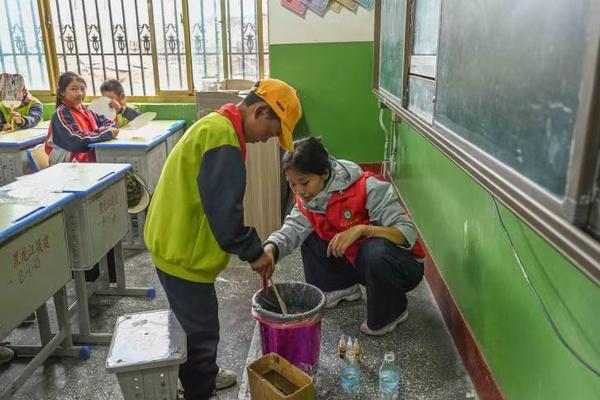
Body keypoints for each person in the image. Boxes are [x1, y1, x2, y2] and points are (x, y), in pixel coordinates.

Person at [144, 79, 302, 400]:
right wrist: (253, 251)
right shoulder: (222, 138)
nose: (267, 139)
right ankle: (200, 390)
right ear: (260, 111)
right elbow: (224, 212)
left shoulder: (219, 127)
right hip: (182, 253)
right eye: (272, 131)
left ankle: (201, 375)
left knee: (191, 326)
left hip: (174, 241)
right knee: (201, 334)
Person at [264, 137, 425, 336]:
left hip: (403, 266)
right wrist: (271, 248)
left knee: (374, 249)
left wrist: (363, 229)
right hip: (359, 261)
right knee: (309, 228)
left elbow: (407, 233)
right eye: (292, 184)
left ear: (324, 173)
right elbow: (292, 228)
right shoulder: (309, 199)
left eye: (304, 182)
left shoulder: (367, 187)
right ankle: (339, 286)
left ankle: (393, 311)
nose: (299, 191)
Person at [44, 71, 118, 164]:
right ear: (62, 92)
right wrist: (106, 133)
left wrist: (103, 132)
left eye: (83, 89)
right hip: (66, 165)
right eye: (74, 89)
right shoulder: (62, 114)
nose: (79, 93)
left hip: (86, 160)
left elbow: (111, 124)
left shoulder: (86, 111)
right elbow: (77, 141)